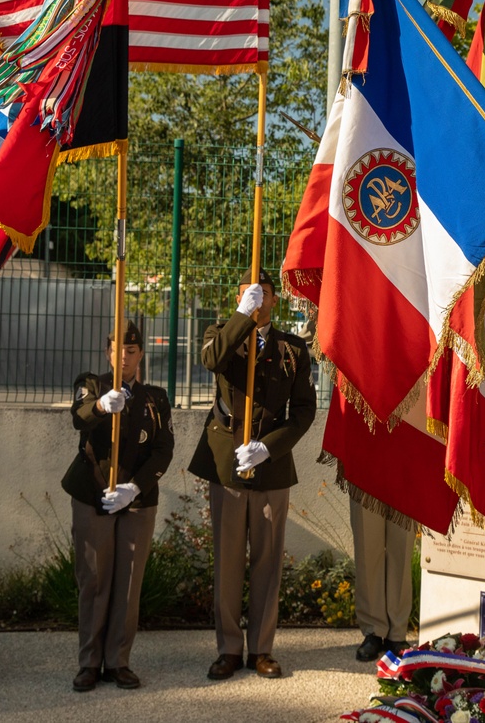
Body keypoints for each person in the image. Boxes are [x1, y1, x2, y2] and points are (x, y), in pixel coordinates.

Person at [188, 268, 317, 681]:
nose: (257, 300)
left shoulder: (293, 350)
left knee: (267, 562)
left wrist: (269, 448)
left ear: (275, 300)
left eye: (263, 295)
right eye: (248, 295)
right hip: (226, 459)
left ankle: (262, 649)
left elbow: (303, 412)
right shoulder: (220, 333)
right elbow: (212, 359)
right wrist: (241, 318)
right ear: (241, 299)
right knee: (228, 562)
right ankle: (228, 649)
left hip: (270, 464)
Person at [64, 320, 173, 692]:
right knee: (94, 580)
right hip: (92, 493)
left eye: (131, 351)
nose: (124, 357)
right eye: (117, 350)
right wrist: (98, 405)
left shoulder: (156, 397)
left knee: (128, 583)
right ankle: (89, 662)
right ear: (108, 351)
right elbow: (78, 417)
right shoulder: (91, 384)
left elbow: (163, 449)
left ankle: (118, 661)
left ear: (140, 354)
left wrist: (135, 487)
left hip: (136, 499)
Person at [351, 495, 416, 661]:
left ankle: (397, 632)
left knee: (402, 546)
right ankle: (373, 630)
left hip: (408, 471)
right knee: (368, 549)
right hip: (366, 470)